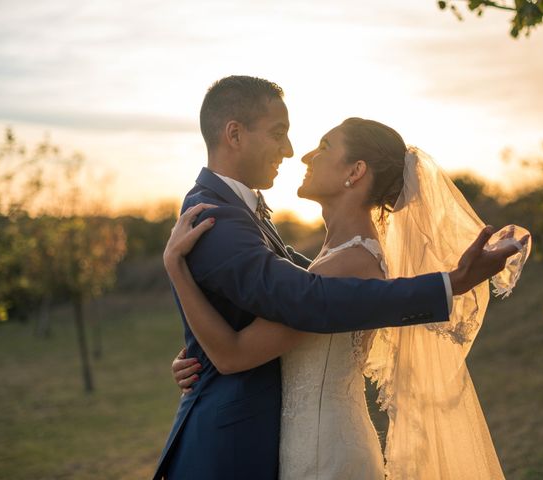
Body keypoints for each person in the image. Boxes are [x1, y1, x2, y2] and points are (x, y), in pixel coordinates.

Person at [153, 76, 523, 480]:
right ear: (234, 134)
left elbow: (291, 308)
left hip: (322, 454)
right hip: (283, 448)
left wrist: (451, 283)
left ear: (356, 171)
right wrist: (197, 350)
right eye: (280, 134)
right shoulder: (220, 216)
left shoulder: (348, 259)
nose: (298, 153)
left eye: (323, 146)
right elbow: (283, 299)